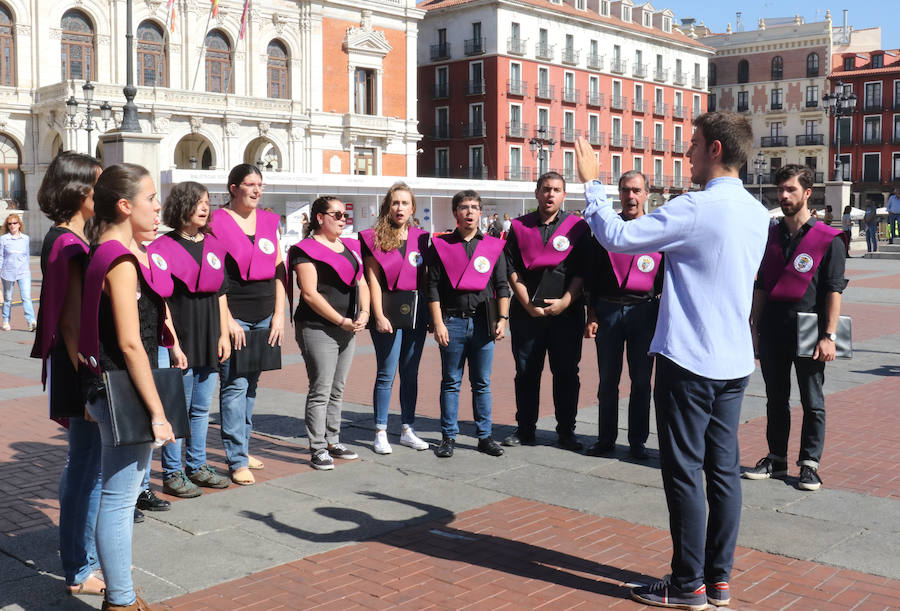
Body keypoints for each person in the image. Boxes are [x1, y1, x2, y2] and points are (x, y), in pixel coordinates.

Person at [577, 111, 769, 610]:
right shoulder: (755, 211)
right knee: (723, 471)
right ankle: (718, 579)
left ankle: (688, 584)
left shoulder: (696, 207)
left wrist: (592, 185)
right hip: (733, 359)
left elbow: (619, 239)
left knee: (684, 471)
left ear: (716, 150)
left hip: (690, 358)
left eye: (694, 145)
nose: (687, 155)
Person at [77, 163, 178, 610]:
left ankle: (121, 594)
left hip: (111, 385)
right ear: (125, 205)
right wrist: (158, 413)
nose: (158, 207)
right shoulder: (118, 259)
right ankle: (120, 600)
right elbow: (130, 344)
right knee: (119, 499)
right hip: (122, 388)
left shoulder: (111, 251)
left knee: (118, 494)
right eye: (151, 198)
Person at [744, 165, 846, 492]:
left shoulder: (828, 240)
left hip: (810, 328)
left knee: (812, 400)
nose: (784, 196)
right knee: (776, 398)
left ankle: (810, 464)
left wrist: (830, 336)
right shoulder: (769, 235)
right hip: (773, 326)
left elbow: (833, 290)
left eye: (790, 189)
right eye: (781, 190)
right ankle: (776, 458)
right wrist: (755, 329)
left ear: (807, 193)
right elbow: (760, 285)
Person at [31, 151, 105, 597]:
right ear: (80, 192)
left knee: (83, 465)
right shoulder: (68, 244)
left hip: (74, 364)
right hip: (80, 366)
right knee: (87, 469)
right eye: (100, 185)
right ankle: (81, 566)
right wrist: (92, 382)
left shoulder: (68, 239)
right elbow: (74, 322)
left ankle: (81, 557)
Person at [148, 182, 232, 497]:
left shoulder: (213, 244)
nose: (204, 207)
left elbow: (221, 292)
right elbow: (162, 301)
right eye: (198, 202)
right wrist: (173, 345)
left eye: (207, 202)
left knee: (200, 408)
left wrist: (223, 333)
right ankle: (172, 473)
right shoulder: (161, 247)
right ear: (182, 205)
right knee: (176, 409)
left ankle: (196, 466)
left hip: (210, 334)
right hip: (180, 336)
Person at [502, 171, 589, 451]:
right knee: (526, 372)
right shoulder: (519, 227)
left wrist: (566, 300)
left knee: (566, 373)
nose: (550, 194)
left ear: (564, 195)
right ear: (537, 193)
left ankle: (566, 432)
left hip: (567, 313)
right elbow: (510, 267)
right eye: (546, 189)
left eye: (556, 190)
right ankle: (525, 429)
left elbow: (581, 270)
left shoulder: (577, 227)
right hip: (527, 314)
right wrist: (527, 303)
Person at [211, 164, 285, 485]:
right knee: (234, 386)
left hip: (266, 313)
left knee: (252, 386)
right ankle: (236, 457)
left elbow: (280, 268)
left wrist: (280, 314)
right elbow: (215, 275)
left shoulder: (268, 220)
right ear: (233, 188)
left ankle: (243, 446)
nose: (256, 190)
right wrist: (226, 320)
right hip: (236, 315)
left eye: (260, 185)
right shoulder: (217, 222)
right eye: (250, 185)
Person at [583, 170, 663, 460]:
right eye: (626, 190)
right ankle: (606, 439)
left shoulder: (658, 229)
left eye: (636, 190)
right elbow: (591, 274)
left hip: (645, 311)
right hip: (608, 310)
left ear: (646, 193)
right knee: (607, 380)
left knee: (641, 381)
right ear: (619, 193)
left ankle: (637, 441)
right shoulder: (606, 228)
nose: (631, 196)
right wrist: (591, 313)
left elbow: (666, 276)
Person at [428, 190, 510, 458]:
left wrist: (503, 319)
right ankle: (448, 437)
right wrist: (438, 323)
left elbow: (501, 286)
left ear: (481, 212)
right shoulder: (441, 246)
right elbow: (432, 288)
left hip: (483, 322)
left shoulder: (492, 246)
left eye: (475, 207)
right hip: (452, 322)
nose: (470, 212)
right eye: (464, 207)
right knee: (451, 382)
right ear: (455, 213)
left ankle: (485, 437)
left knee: (482, 383)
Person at [290, 197, 369, 469]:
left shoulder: (350, 247)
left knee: (338, 389)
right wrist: (340, 320)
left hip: (348, 327)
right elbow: (309, 294)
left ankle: (333, 440)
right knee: (321, 389)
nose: (342, 218)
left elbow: (362, 281)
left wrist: (365, 314)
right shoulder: (305, 249)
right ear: (320, 217)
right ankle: (318, 447)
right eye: (336, 214)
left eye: (344, 214)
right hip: (317, 328)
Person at [360, 183, 430, 454]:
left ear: (413, 208)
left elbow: (426, 281)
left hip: (415, 312)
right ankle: (380, 430)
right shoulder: (373, 238)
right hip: (387, 313)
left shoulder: (423, 238)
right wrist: (377, 315)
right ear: (387, 207)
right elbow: (372, 281)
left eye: (405, 203)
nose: (400, 208)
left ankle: (407, 429)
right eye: (395, 203)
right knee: (386, 373)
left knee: (410, 374)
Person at [0, 213, 36, 331]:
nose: (12, 226)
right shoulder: (3, 239)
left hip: (23, 272)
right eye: (9, 224)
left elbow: (26, 254)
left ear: (19, 224)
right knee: (8, 298)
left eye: (15, 223)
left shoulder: (25, 238)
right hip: (7, 272)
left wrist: (27, 269)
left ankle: (31, 322)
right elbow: (1, 256)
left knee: (26, 298)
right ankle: (6, 320)